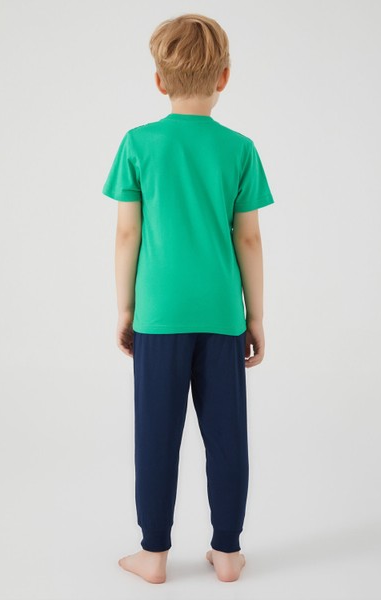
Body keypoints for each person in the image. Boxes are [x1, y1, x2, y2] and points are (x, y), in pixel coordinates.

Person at [102, 13, 275, 584]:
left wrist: (125, 309)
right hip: (223, 316)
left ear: (159, 80)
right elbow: (248, 238)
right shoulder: (239, 149)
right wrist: (255, 315)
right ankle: (227, 552)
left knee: (156, 435)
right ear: (224, 77)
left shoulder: (138, 144)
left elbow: (127, 233)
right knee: (227, 437)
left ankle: (153, 555)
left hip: (159, 316)